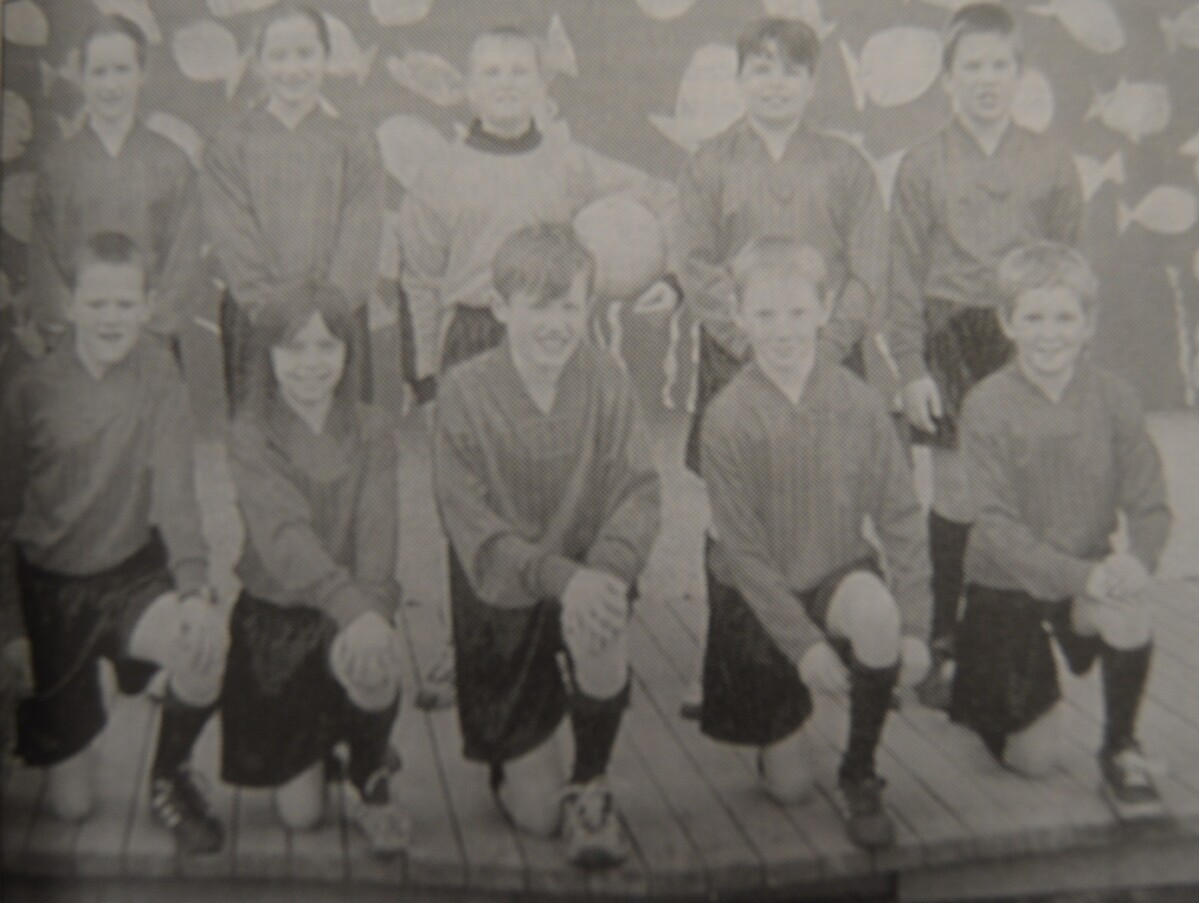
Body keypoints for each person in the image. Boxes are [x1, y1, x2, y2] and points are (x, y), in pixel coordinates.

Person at [396, 24, 674, 707]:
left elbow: (662, 195)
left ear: (544, 87)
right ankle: (476, 653)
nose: (505, 85)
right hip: (474, 344)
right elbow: (418, 282)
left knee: (561, 499)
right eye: (489, 72)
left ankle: (568, 634)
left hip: (556, 340)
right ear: (465, 87)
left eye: (519, 72)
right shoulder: (436, 171)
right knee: (474, 508)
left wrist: (661, 269)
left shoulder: (570, 162)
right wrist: (428, 382)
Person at [433, 224, 661, 868]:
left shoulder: (607, 379)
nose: (557, 324)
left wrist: (607, 573)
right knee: (534, 818)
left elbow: (639, 493)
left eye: (571, 306)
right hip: (502, 596)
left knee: (601, 620)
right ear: (501, 308)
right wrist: (563, 577)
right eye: (539, 305)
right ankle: (526, 747)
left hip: (583, 587)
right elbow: (472, 528)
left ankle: (591, 778)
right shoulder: (464, 391)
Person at [699, 237, 930, 850]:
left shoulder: (858, 402)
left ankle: (860, 769)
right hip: (754, 594)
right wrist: (802, 646)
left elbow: (902, 518)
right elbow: (744, 555)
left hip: (830, 570)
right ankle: (790, 702)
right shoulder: (726, 417)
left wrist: (917, 630)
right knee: (790, 788)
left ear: (826, 310)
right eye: (765, 315)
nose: (782, 331)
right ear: (739, 317)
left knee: (879, 613)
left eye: (798, 313)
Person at [0, 232, 228, 854]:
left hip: (129, 575)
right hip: (49, 593)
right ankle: (82, 691)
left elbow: (178, 496)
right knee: (72, 808)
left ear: (149, 305)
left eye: (125, 304)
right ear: (70, 304)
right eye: (96, 304)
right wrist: (12, 628)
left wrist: (196, 591)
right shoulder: (28, 391)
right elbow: (2, 521)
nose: (110, 318)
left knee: (205, 647)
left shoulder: (158, 373)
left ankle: (169, 775)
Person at [886, 2, 1083, 708]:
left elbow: (1067, 263)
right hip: (950, 334)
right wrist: (910, 367)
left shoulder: (1051, 159)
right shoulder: (920, 163)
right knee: (957, 494)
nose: (986, 79)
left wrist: (1060, 357)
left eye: (999, 65)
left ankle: (1013, 627)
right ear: (947, 78)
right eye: (971, 66)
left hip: (1026, 335)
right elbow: (901, 274)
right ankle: (942, 638)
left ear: (1019, 73)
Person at [952, 242, 1171, 819]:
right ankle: (983, 696)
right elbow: (996, 527)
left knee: (1131, 609)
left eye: (1065, 317)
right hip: (1007, 589)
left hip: (1082, 582)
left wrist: (1137, 561)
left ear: (1089, 322)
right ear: (1006, 322)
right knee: (1034, 759)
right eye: (1033, 317)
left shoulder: (1114, 398)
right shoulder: (987, 405)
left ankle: (1121, 746)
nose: (1050, 334)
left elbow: (1150, 504)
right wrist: (1087, 576)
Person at [221, 286, 409, 854]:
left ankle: (370, 772)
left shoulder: (372, 427)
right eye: (293, 348)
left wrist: (370, 612)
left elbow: (379, 534)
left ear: (349, 353)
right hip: (277, 622)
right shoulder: (250, 432)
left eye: (326, 347)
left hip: (351, 614)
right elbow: (283, 540)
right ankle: (328, 743)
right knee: (301, 817)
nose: (309, 364)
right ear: (268, 356)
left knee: (374, 658)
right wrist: (353, 606)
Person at [676, 16, 888, 474]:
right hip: (737, 355)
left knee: (832, 499)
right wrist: (750, 344)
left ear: (812, 84)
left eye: (791, 72)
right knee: (735, 503)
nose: (776, 84)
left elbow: (869, 268)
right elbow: (695, 264)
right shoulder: (708, 164)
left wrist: (827, 347)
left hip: (829, 352)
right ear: (739, 79)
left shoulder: (847, 165)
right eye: (761, 69)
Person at [201, 3, 383, 411]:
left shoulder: (355, 142)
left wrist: (324, 323)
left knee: (340, 450)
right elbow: (234, 241)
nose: (293, 69)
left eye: (305, 54)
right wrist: (275, 318)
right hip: (258, 323)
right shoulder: (229, 144)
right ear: (259, 63)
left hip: (337, 323)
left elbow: (360, 237)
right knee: (265, 454)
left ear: (326, 57)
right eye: (278, 56)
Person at [28, 15, 205, 361]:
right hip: (77, 353)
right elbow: (44, 268)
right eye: (99, 71)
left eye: (122, 70)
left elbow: (184, 263)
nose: (111, 85)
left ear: (142, 74)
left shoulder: (172, 163)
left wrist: (151, 334)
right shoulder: (59, 165)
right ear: (81, 76)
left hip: (152, 348)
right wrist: (71, 337)